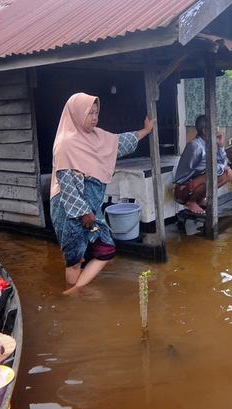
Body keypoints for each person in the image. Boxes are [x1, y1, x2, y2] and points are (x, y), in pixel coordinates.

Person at [50, 93, 155, 294]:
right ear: (76, 114)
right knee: (74, 258)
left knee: (105, 249)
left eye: (96, 112)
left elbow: (120, 142)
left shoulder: (98, 137)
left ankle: (73, 292)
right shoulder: (65, 144)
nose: (94, 117)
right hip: (69, 209)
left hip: (90, 208)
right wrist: (83, 213)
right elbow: (66, 185)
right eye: (89, 113)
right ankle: (74, 296)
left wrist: (146, 130)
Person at [172, 114, 232, 215]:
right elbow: (213, 168)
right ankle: (190, 202)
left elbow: (222, 165)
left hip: (196, 183)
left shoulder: (210, 144)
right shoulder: (194, 146)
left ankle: (199, 199)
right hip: (181, 191)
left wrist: (220, 145)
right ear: (205, 131)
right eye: (214, 128)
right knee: (209, 175)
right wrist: (223, 166)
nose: (217, 130)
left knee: (228, 173)